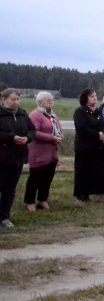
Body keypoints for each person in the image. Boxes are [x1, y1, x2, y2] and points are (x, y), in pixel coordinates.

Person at [0, 89, 35, 229]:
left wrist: (27, 138)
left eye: (18, 99)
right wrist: (11, 137)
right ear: (3, 99)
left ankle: (4, 217)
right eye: (13, 99)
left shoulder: (22, 113)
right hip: (2, 158)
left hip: (18, 158)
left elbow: (32, 130)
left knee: (10, 189)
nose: (16, 102)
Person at [25, 92, 62, 212]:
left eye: (52, 100)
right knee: (35, 179)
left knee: (47, 178)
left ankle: (42, 199)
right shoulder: (35, 115)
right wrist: (52, 138)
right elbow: (34, 132)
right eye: (48, 100)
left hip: (52, 153)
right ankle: (29, 201)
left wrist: (59, 137)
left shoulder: (52, 115)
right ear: (40, 102)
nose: (51, 102)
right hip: (38, 153)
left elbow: (59, 130)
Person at [73, 88, 104, 204]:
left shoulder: (97, 111)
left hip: (96, 147)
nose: (95, 98)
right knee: (81, 171)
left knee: (92, 171)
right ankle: (78, 195)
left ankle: (86, 194)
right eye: (92, 96)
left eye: (96, 95)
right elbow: (81, 128)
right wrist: (97, 134)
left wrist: (103, 133)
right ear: (85, 98)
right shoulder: (80, 111)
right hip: (84, 147)